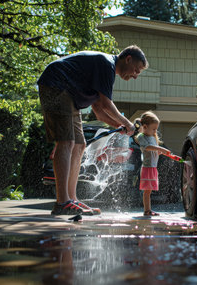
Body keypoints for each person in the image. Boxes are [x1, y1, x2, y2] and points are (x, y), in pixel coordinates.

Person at [37, 45, 148, 216]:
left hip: (70, 97)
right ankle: (62, 202)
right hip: (56, 85)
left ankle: (71, 199)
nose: (135, 75)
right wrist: (127, 123)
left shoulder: (106, 71)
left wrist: (120, 127)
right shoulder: (106, 64)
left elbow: (98, 111)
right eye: (136, 70)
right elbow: (105, 104)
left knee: (80, 144)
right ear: (128, 59)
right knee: (66, 142)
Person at [135, 111, 171, 216]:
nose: (155, 131)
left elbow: (153, 151)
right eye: (154, 129)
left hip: (153, 167)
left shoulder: (152, 137)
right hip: (147, 168)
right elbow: (146, 148)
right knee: (147, 191)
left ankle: (148, 210)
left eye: (156, 129)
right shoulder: (142, 136)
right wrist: (160, 148)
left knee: (149, 191)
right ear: (145, 126)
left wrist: (159, 152)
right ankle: (147, 211)